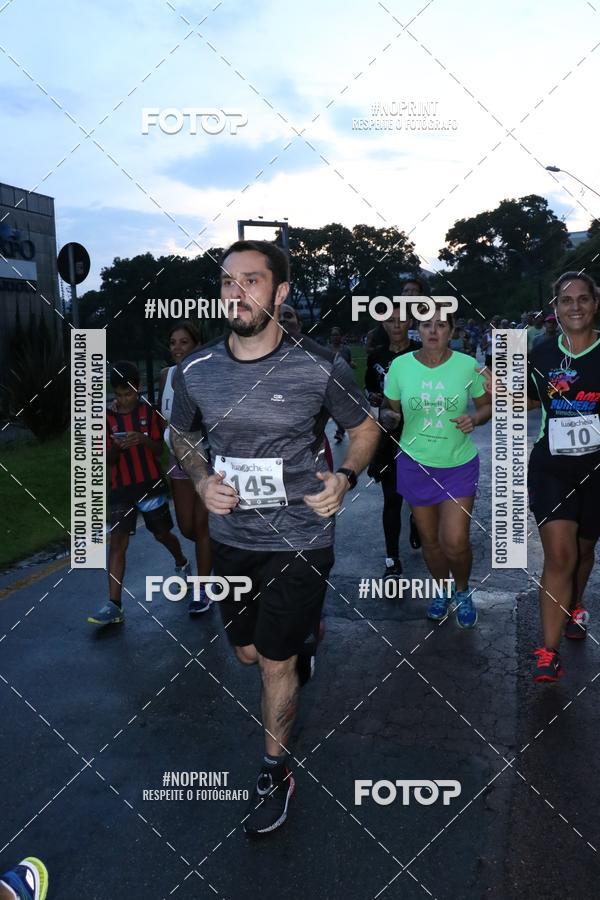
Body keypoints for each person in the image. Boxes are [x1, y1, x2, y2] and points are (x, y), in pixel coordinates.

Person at [169, 239, 379, 836]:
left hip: (299, 538)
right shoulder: (195, 370)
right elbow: (180, 435)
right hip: (231, 538)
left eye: (251, 280)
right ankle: (296, 644)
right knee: (247, 653)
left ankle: (273, 769)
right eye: (227, 281)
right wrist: (201, 477)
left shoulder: (320, 366)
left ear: (280, 291)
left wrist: (345, 476)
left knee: (274, 663)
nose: (235, 292)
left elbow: (364, 428)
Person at [382, 303, 491, 625]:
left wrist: (475, 418)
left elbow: (487, 407)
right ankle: (442, 590)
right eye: (426, 324)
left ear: (452, 331)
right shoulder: (400, 366)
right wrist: (387, 418)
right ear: (418, 329)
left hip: (458, 463)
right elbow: (390, 409)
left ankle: (463, 591)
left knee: (455, 541)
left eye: (441, 325)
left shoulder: (467, 366)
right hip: (415, 463)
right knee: (430, 541)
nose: (433, 330)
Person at [527, 272, 600, 682]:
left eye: (583, 298)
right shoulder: (540, 354)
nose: (575, 306)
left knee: (584, 550)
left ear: (595, 304)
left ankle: (575, 604)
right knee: (560, 555)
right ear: (555, 308)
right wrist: (498, 391)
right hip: (551, 466)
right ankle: (548, 651)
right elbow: (528, 400)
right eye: (566, 300)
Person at [88, 362, 190, 625]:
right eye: (119, 395)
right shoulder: (105, 419)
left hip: (149, 484)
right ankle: (114, 605)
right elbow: (107, 459)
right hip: (120, 488)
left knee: (161, 533)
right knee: (117, 542)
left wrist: (142, 439)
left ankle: (181, 562)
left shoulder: (149, 412)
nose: (124, 399)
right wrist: (117, 447)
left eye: (129, 393)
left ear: (138, 388)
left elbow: (159, 450)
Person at [159, 322, 212, 614]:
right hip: (177, 461)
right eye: (173, 342)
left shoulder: (208, 374)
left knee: (202, 526)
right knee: (187, 527)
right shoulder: (166, 375)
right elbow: (164, 418)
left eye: (184, 342)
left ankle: (202, 590)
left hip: (208, 461)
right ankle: (217, 549)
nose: (177, 348)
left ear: (197, 345)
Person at [365, 304, 421, 578]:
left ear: (410, 322)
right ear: (383, 324)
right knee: (391, 498)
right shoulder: (376, 356)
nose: (396, 324)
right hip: (389, 437)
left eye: (401, 319)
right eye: (390, 320)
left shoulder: (422, 352)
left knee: (418, 495)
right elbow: (370, 388)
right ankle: (392, 559)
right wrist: (374, 397)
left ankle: (417, 519)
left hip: (422, 435)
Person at [329, 327, 355, 442]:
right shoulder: (326, 349)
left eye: (336, 335)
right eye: (332, 335)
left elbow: (349, 362)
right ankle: (340, 429)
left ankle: (343, 429)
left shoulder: (346, 350)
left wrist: (352, 364)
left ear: (341, 336)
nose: (334, 337)